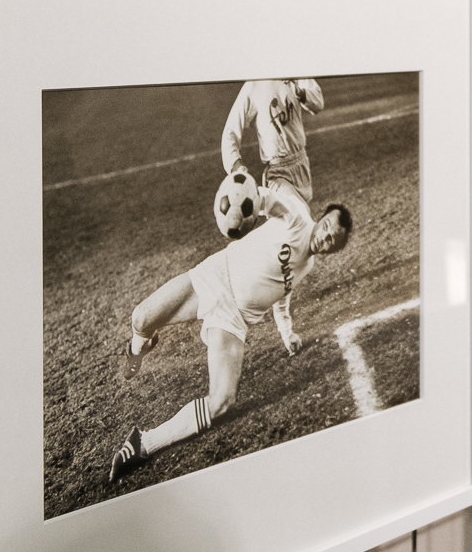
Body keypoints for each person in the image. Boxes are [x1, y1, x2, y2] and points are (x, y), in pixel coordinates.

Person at [108, 194, 354, 481]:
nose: (325, 238)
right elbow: (263, 198)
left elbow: (281, 293)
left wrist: (287, 332)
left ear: (334, 250)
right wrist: (244, 193)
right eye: (326, 227)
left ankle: (143, 444)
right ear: (320, 218)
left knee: (222, 401)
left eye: (333, 241)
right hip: (216, 275)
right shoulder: (296, 215)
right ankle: (139, 348)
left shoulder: (307, 265)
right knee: (141, 317)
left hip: (232, 318)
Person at [222, 78, 324, 209]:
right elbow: (230, 130)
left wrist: (300, 92)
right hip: (277, 172)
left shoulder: (293, 71)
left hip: (302, 164)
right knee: (302, 214)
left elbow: (318, 103)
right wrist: (236, 165)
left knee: (294, 223)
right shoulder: (254, 86)